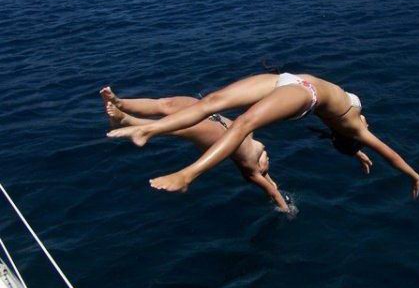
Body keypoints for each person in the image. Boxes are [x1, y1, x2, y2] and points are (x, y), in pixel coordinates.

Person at [107, 73, 419, 198]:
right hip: (288, 80)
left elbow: (391, 155)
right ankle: (147, 128)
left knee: (243, 123)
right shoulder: (346, 130)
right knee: (212, 101)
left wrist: (413, 175)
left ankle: (187, 175)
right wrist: (356, 152)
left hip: (305, 93)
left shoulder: (357, 128)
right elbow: (343, 138)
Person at [100, 87, 291, 212]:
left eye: (266, 165)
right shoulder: (252, 135)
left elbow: (273, 192)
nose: (268, 159)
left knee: (182, 127)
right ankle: (121, 103)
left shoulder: (252, 171)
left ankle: (128, 121)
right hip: (215, 117)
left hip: (218, 136)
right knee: (168, 104)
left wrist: (287, 210)